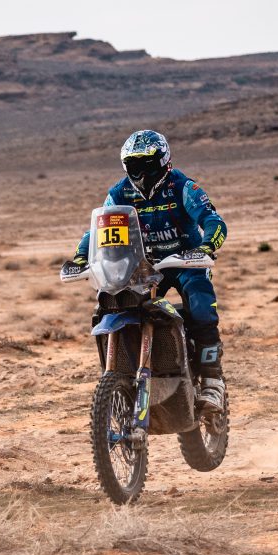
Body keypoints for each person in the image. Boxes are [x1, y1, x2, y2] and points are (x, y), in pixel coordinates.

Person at [67, 130, 227, 412]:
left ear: (164, 161)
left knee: (202, 306)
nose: (141, 171)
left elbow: (213, 220)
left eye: (148, 163)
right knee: (112, 306)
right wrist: (82, 257)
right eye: (134, 165)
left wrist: (205, 248)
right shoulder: (119, 193)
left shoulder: (182, 187)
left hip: (184, 260)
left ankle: (213, 381)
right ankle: (121, 377)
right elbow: (97, 230)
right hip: (144, 265)